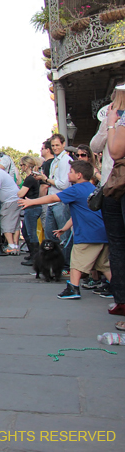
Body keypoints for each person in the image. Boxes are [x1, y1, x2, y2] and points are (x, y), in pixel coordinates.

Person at [19, 160, 111, 300]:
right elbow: (81, 213)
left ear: (79, 175)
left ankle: (73, 288)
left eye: (71, 172)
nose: (68, 174)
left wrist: (31, 201)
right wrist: (64, 228)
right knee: (104, 265)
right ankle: (116, 287)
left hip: (87, 234)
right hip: (101, 232)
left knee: (76, 262)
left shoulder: (76, 189)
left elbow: (53, 197)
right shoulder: (92, 188)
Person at [96, 86, 125, 320]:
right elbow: (97, 145)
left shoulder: (119, 119)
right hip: (111, 185)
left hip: (118, 185)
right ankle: (120, 298)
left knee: (118, 245)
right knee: (116, 244)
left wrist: (113, 123)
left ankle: (122, 300)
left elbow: (115, 151)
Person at [34, 134, 72, 265]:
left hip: (60, 201)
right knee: (50, 237)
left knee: (64, 236)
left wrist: (45, 179)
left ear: (63, 144)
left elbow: (63, 184)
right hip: (52, 201)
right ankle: (52, 264)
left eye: (57, 145)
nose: (55, 148)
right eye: (53, 145)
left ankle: (66, 264)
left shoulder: (65, 160)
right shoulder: (55, 161)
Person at [18, 156, 42, 267]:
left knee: (31, 232)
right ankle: (33, 254)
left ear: (26, 166)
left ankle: (35, 256)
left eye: (22, 165)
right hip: (31, 207)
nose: (21, 167)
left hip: (32, 207)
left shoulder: (29, 179)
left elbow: (21, 194)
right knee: (26, 231)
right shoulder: (32, 177)